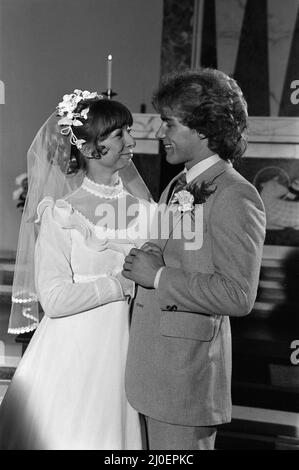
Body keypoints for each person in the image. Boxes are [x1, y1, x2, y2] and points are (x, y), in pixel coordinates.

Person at [0, 90, 154, 450]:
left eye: (129, 131)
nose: (132, 141)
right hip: (73, 352)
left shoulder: (148, 211)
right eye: (120, 135)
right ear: (88, 148)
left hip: (130, 351)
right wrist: (118, 286)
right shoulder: (60, 213)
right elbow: (52, 299)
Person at [123, 68, 266, 450]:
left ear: (203, 129)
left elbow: (238, 294)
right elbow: (175, 252)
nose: (160, 133)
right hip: (151, 374)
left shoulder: (236, 195)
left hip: (186, 383)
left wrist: (158, 277)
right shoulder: (177, 184)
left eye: (169, 124)